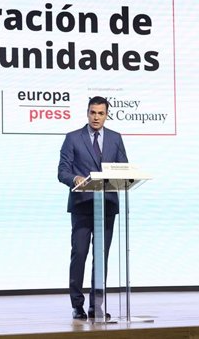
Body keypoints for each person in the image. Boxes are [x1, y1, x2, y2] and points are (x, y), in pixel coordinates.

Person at [58, 96, 128, 320]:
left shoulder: (115, 139)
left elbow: (123, 168)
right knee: (79, 254)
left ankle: (95, 305)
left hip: (106, 206)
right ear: (87, 113)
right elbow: (62, 171)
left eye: (100, 113)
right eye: (92, 112)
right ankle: (77, 305)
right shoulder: (72, 138)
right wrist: (75, 178)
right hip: (82, 205)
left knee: (102, 257)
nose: (96, 117)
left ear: (107, 114)